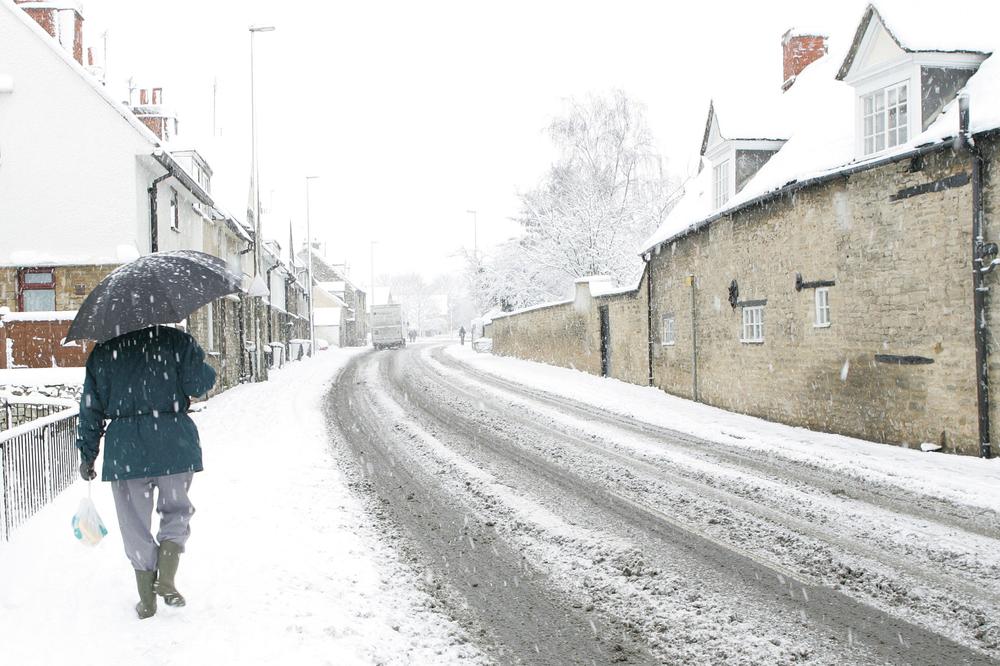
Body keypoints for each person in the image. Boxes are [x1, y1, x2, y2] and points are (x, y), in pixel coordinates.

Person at [76, 325, 216, 620]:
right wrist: (202, 364)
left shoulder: (104, 352)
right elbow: (199, 384)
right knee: (177, 510)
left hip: (126, 450)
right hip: (174, 444)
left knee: (133, 522)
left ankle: (146, 599)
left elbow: (91, 408)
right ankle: (166, 577)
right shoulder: (176, 341)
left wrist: (88, 454)